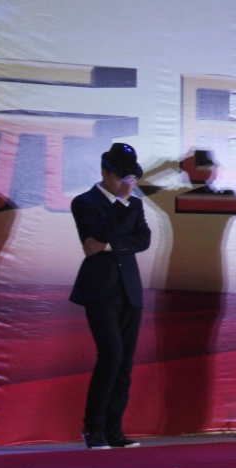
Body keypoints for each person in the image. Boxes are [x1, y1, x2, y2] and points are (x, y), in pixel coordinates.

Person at [70, 143, 151, 450]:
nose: (125, 184)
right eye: (120, 177)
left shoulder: (135, 204)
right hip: (99, 289)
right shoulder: (85, 202)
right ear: (104, 172)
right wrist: (121, 202)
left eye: (130, 178)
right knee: (111, 355)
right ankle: (93, 428)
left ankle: (114, 429)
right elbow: (96, 236)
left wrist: (109, 245)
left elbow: (143, 239)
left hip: (129, 287)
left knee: (125, 362)